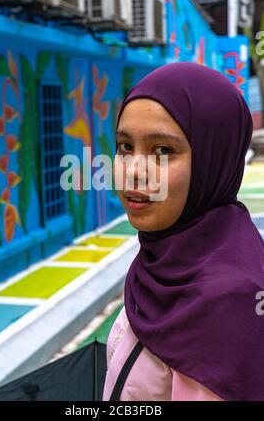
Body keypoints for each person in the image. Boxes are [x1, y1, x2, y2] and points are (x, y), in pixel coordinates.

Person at [102, 62, 264, 401]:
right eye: (125, 147)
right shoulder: (164, 259)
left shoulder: (228, 302)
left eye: (162, 151)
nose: (134, 171)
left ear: (213, 160)